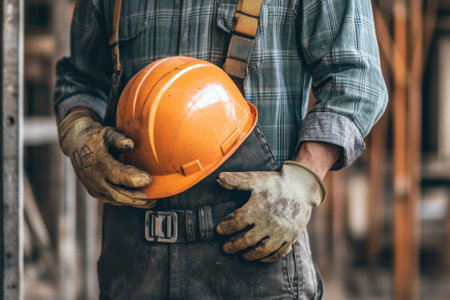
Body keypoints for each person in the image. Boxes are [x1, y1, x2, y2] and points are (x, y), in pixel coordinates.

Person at [54, 0, 388, 299]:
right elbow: (81, 79)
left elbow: (356, 81)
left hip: (252, 244)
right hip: (134, 257)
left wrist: (303, 181)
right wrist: (80, 132)